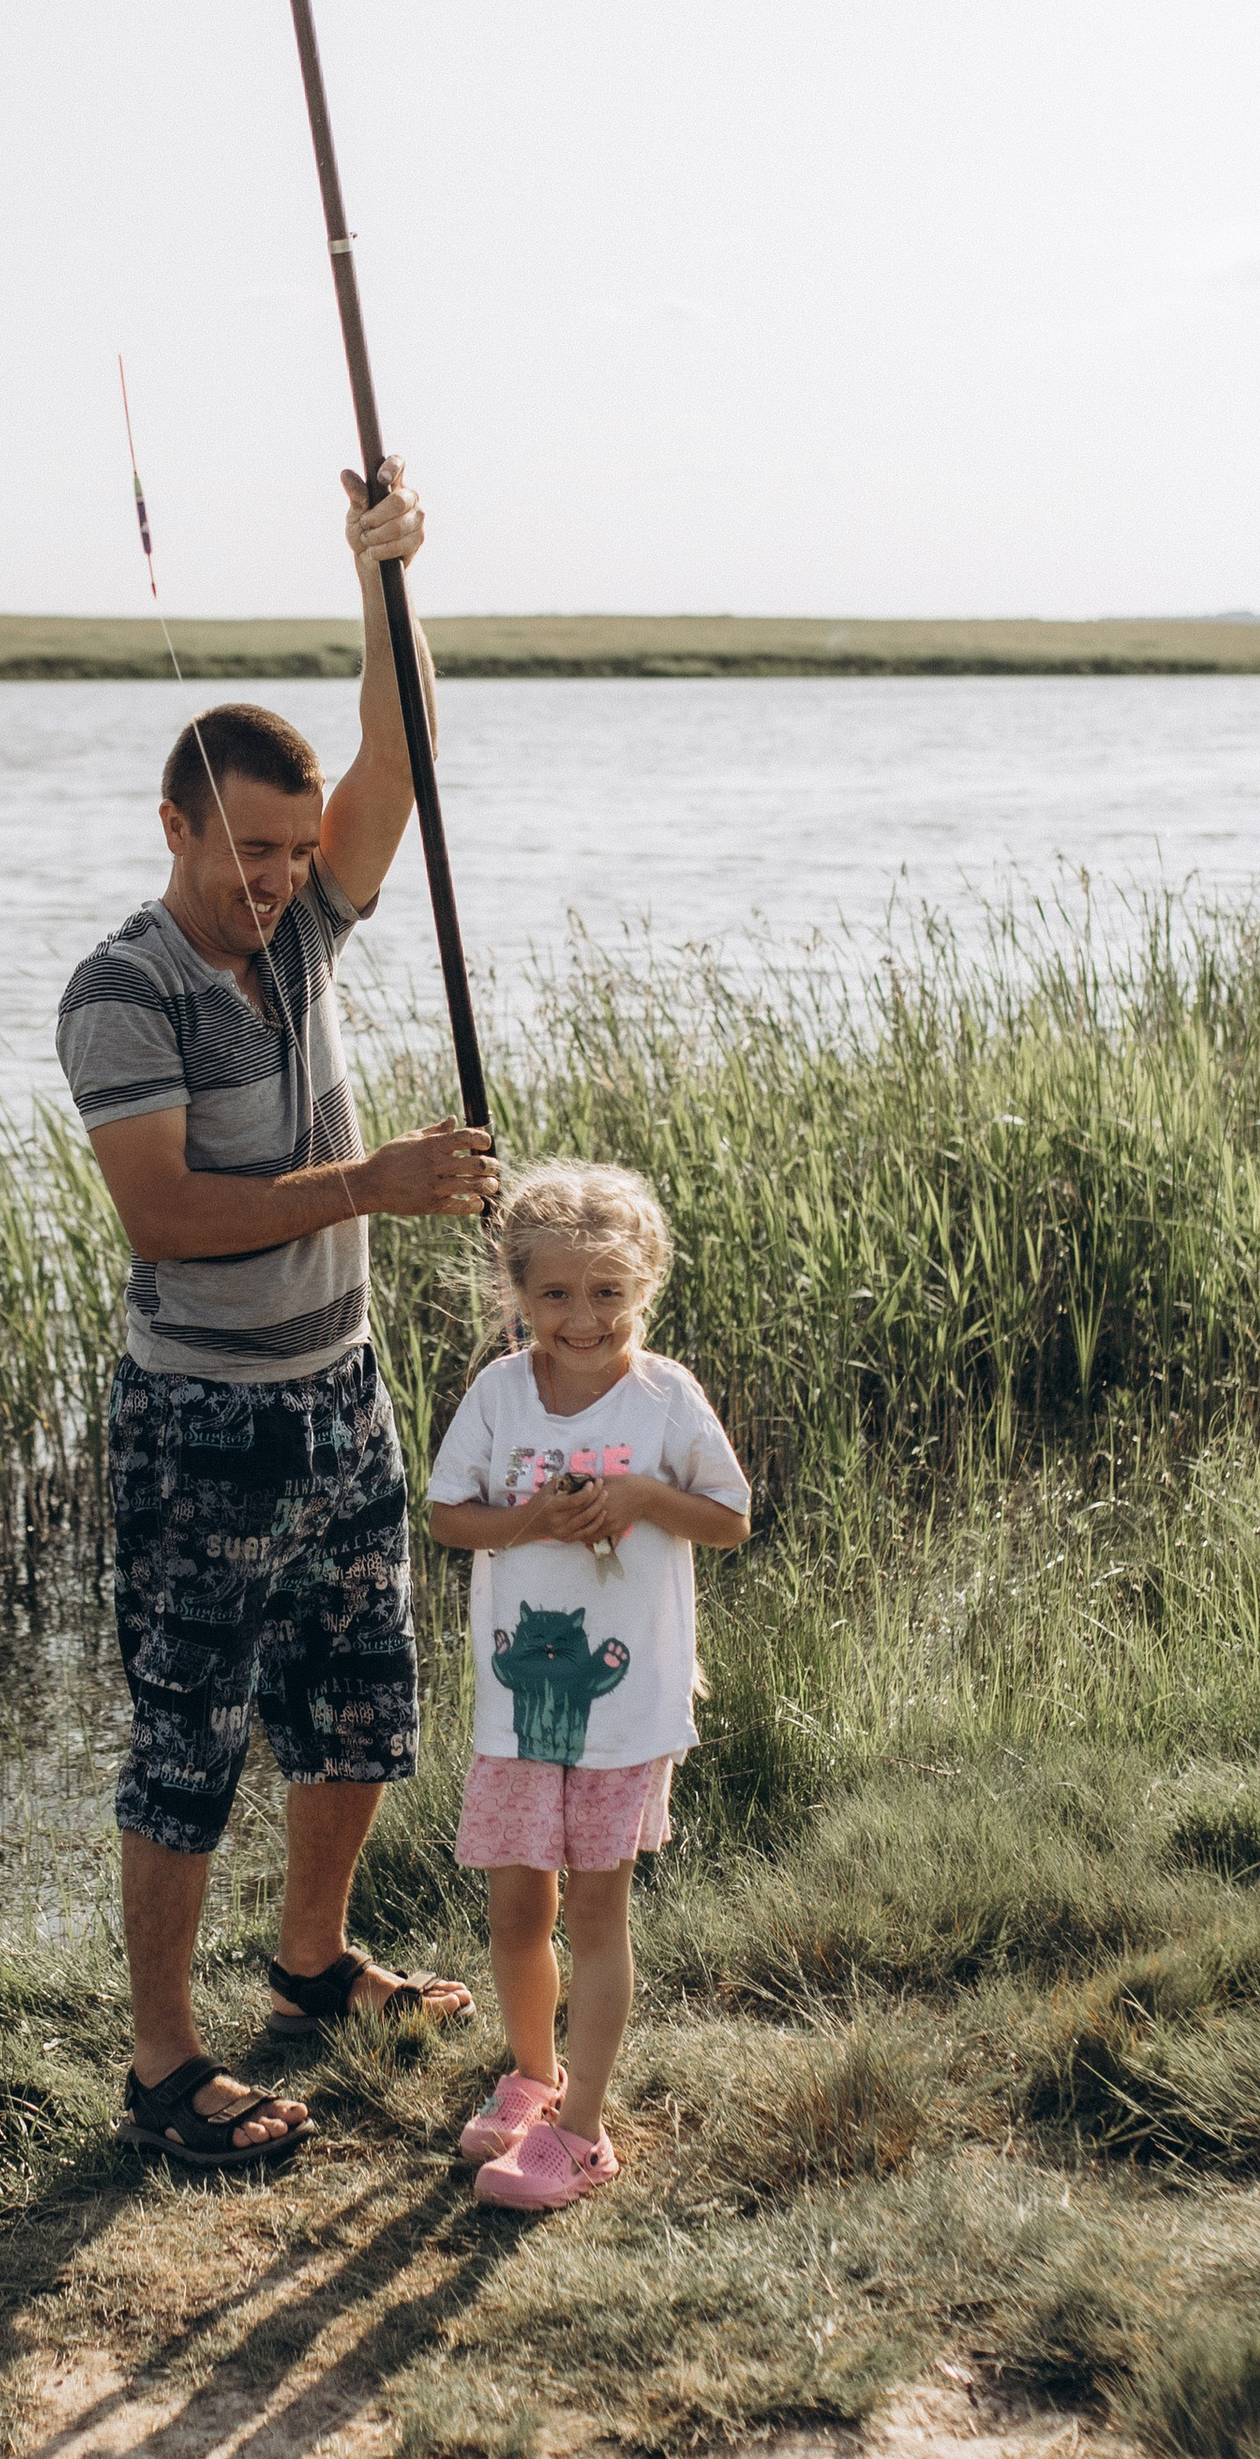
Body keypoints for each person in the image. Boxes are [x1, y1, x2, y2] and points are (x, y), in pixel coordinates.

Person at [56, 462, 491, 2170]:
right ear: (172, 827)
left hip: (341, 1393)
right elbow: (167, 1217)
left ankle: (311, 1961)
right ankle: (164, 2064)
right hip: (205, 1414)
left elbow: (404, 766)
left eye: (296, 855)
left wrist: (383, 583)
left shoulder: (303, 931)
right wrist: (367, 1186)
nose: (280, 883)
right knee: (187, 1738)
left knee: (364, 1698)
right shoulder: (122, 988)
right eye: (249, 853)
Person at [425, 1160, 751, 2211]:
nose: (581, 1316)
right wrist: (531, 1520)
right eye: (556, 1293)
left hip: (626, 1712)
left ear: (645, 1285)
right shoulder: (497, 1395)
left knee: (598, 1915)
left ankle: (582, 2132)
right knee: (519, 1908)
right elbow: (445, 1518)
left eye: (607, 1291)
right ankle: (530, 2074)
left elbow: (729, 1519)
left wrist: (643, 1497)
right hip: (518, 1712)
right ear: (517, 1292)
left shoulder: (667, 1400)